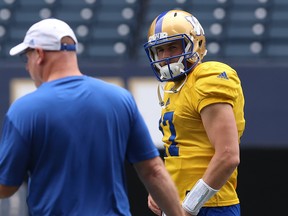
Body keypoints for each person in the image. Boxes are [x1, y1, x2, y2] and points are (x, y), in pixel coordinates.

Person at [0, 18, 187, 216]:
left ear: (39, 54)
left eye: (26, 57)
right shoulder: (119, 99)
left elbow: (6, 185)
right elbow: (153, 171)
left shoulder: (25, 109)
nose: (27, 66)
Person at [143, 10, 245, 216]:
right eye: (160, 50)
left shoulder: (208, 77)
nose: (164, 57)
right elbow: (181, 149)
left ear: (196, 44)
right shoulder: (175, 86)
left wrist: (189, 207)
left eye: (172, 47)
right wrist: (165, 187)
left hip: (210, 206)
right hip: (180, 203)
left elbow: (228, 155)